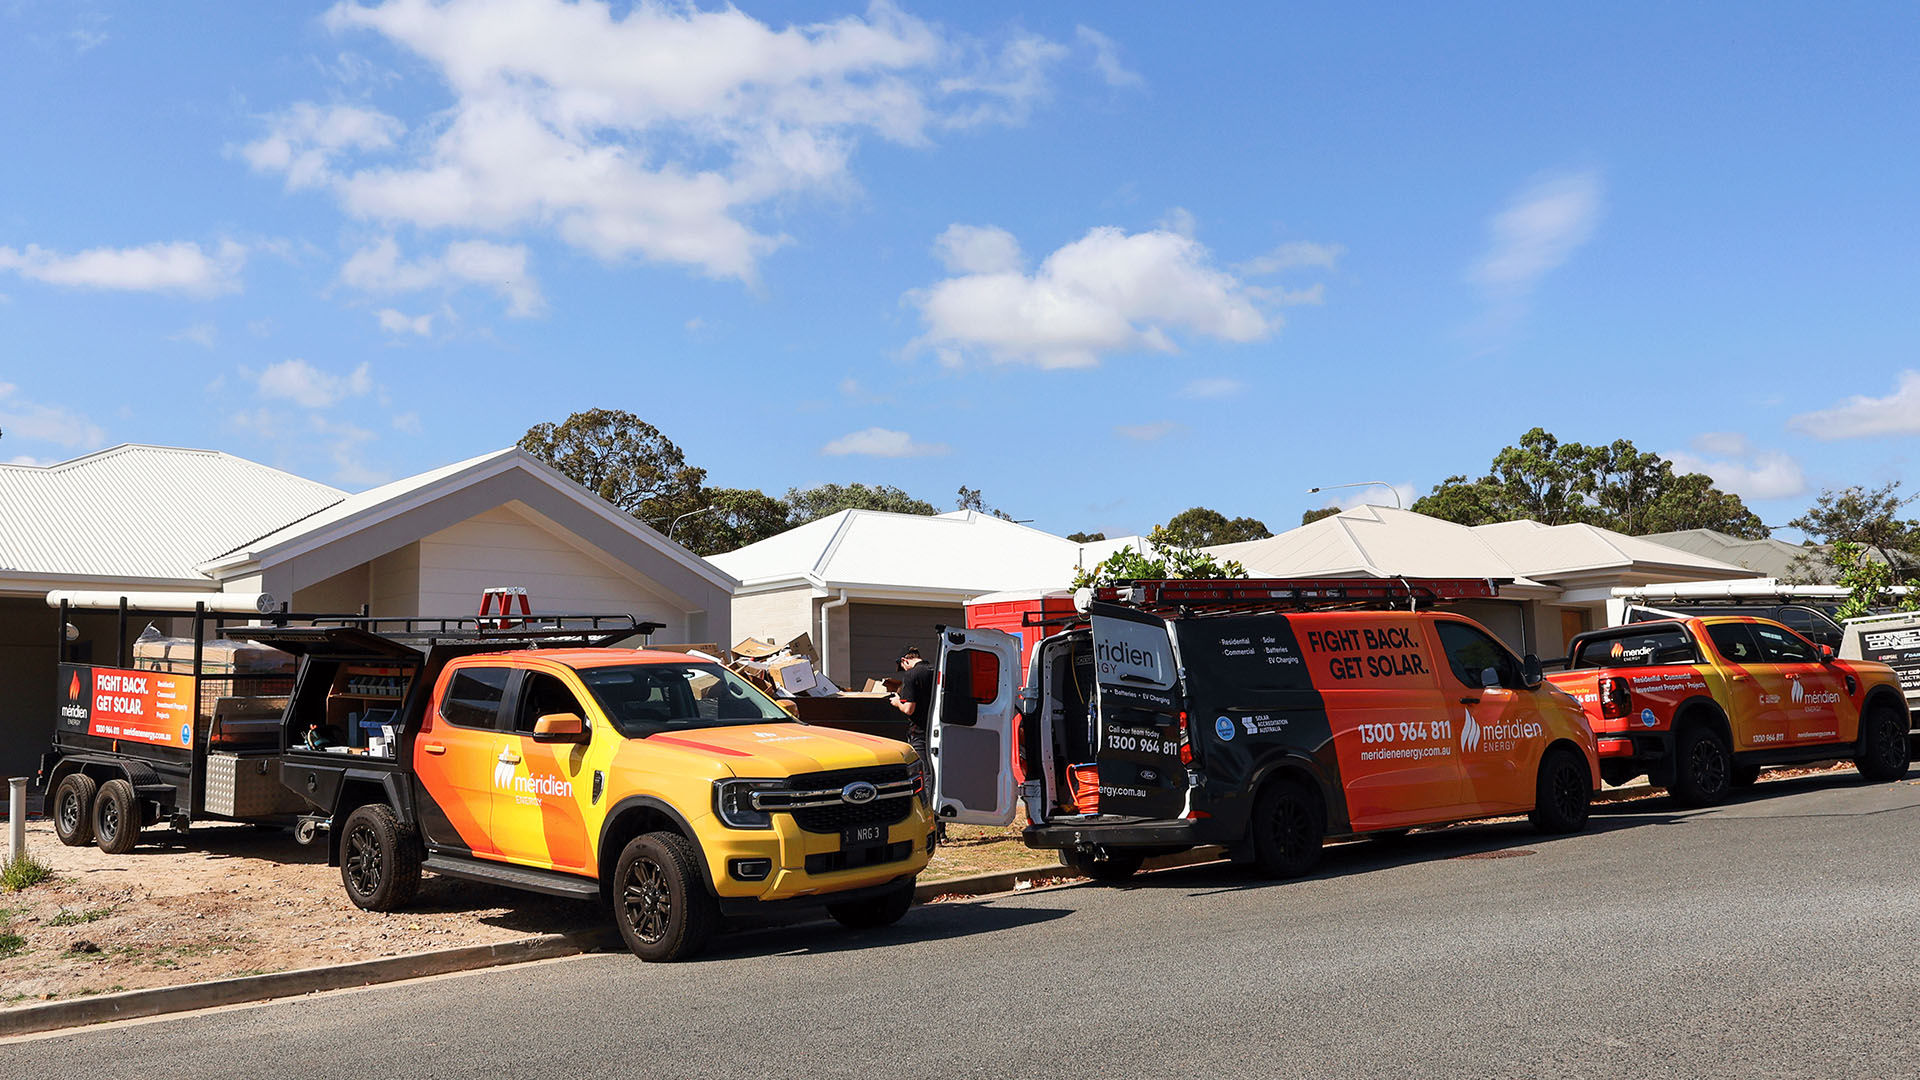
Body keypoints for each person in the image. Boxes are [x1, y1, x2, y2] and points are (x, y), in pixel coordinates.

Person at [891, 646, 942, 840]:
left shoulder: (912, 675)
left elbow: (909, 709)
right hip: (938, 730)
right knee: (937, 776)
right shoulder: (936, 670)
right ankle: (941, 827)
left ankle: (931, 826)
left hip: (920, 733)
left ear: (905, 660)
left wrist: (897, 702)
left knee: (925, 775)